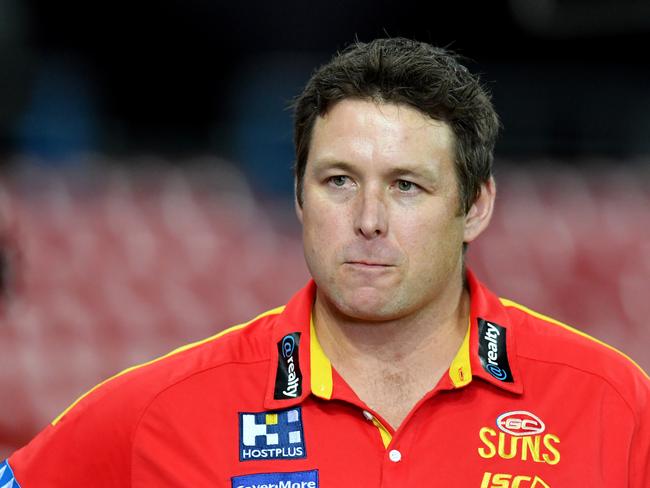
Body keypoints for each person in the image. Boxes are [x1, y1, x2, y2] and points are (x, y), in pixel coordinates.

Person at [2, 37, 648, 488]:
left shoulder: (613, 405)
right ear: (298, 197)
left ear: (475, 207)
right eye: (338, 181)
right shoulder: (158, 411)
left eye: (406, 186)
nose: (368, 218)